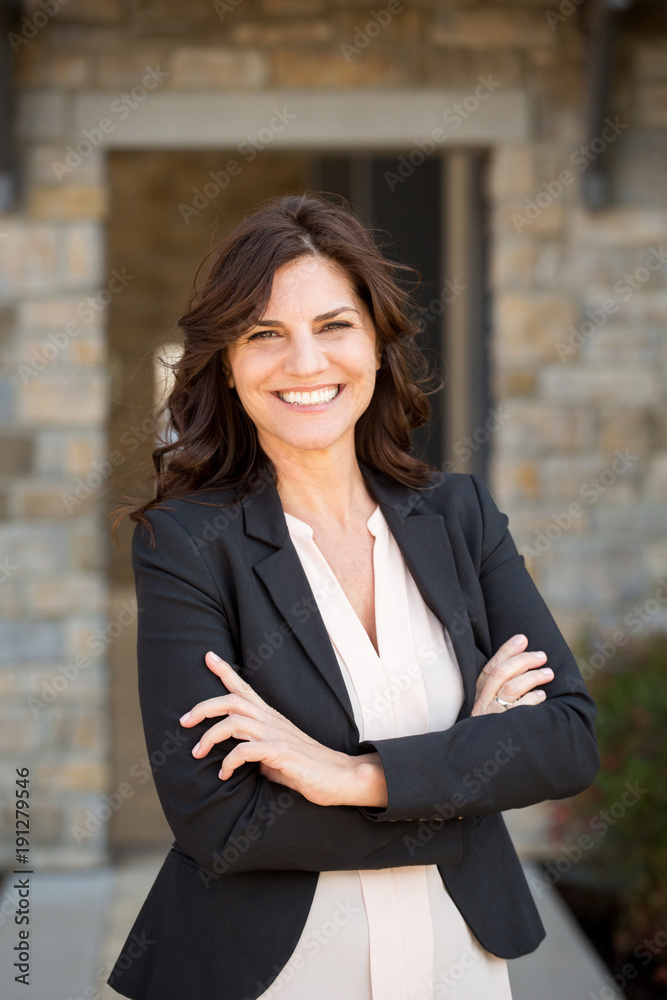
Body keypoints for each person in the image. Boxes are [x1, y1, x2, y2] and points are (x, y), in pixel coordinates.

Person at [107, 192, 599, 1000]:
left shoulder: (459, 515)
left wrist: (350, 777)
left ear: (375, 344)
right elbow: (218, 822)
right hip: (271, 972)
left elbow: (566, 739)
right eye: (265, 335)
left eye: (333, 325)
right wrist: (464, 772)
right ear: (227, 366)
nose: (305, 363)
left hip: (460, 959)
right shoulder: (187, 542)